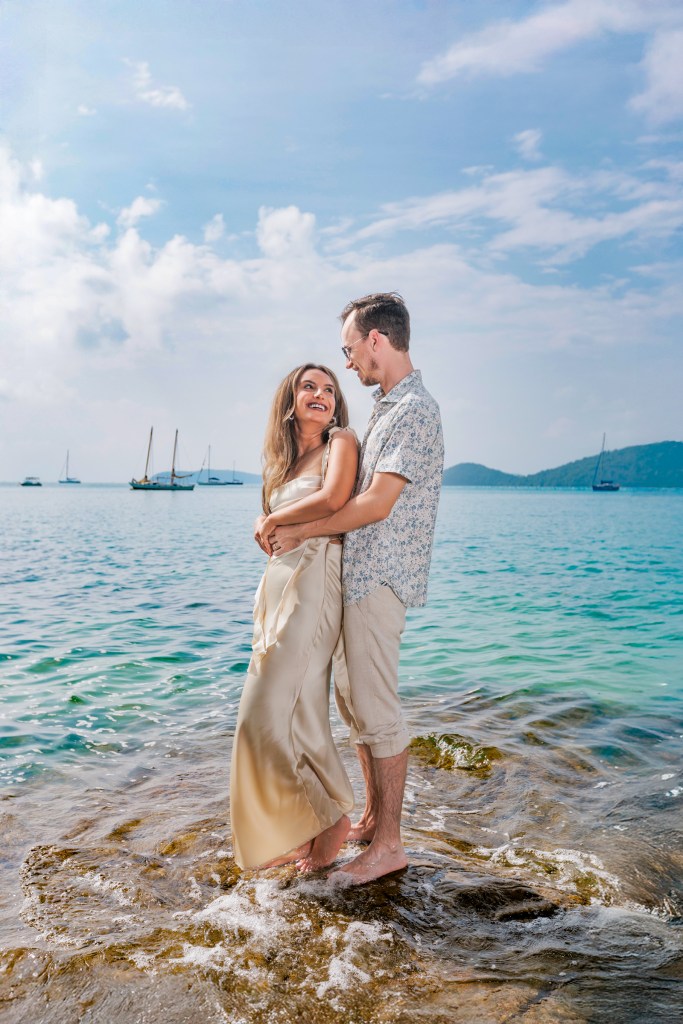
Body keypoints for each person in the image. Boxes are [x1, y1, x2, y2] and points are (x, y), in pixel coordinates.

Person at [266, 293, 444, 885]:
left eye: (350, 349)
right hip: (358, 576)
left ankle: (389, 845)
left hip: (381, 577)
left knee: (376, 709)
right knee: (351, 701)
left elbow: (374, 504)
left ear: (375, 340)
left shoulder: (414, 409)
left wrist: (300, 530)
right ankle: (370, 817)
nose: (348, 365)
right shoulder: (386, 408)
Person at [230, 363, 359, 872]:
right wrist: (267, 525)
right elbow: (271, 523)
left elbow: (333, 500)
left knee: (262, 710)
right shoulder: (280, 464)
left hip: (314, 584)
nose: (321, 395)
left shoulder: (341, 442)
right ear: (290, 399)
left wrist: (274, 519)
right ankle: (317, 823)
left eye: (329, 389)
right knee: (298, 707)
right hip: (279, 585)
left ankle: (326, 817)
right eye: (310, 387)